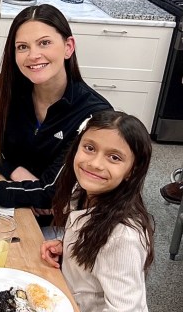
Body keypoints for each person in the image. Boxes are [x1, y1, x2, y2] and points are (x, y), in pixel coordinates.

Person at [0, 5, 111, 217]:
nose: (33, 55)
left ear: (68, 47)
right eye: (22, 47)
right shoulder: (3, 89)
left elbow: (53, 193)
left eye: (44, 43)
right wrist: (18, 173)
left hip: (60, 220)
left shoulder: (92, 115)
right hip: (12, 197)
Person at [40, 110, 154, 312]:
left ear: (132, 170)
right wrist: (69, 248)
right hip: (65, 294)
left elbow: (127, 309)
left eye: (114, 157)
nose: (95, 163)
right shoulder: (82, 191)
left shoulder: (123, 238)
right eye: (90, 148)